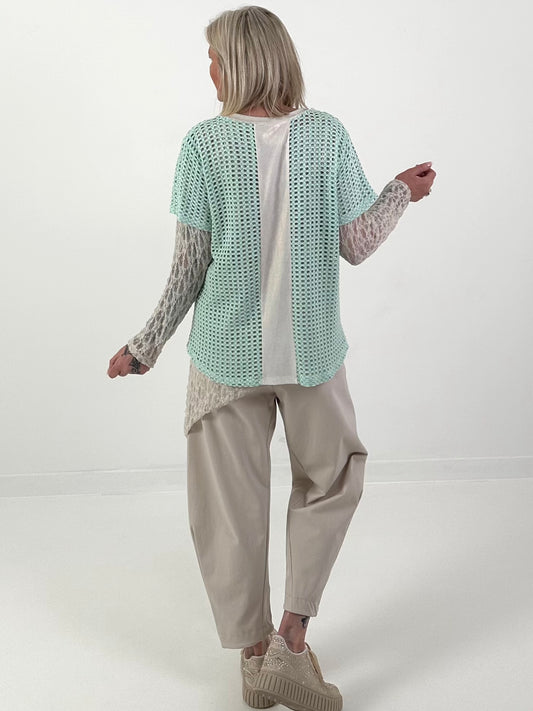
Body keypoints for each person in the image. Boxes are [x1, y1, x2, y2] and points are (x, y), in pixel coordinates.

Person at [107, 6, 436, 711]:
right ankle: (291, 638)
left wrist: (146, 344)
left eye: (215, 59)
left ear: (241, 62)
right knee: (333, 479)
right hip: (311, 351)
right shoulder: (326, 135)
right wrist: (400, 194)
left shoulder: (204, 144)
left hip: (224, 356)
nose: (210, 71)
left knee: (228, 509)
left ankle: (258, 662)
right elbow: (357, 243)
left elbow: (188, 267)